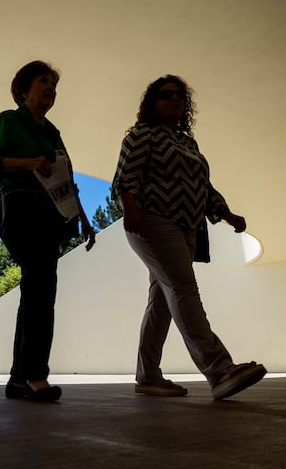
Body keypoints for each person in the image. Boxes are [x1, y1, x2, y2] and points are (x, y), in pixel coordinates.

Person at [111, 74, 267, 400]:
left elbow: (204, 188)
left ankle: (148, 376)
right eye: (166, 95)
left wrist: (227, 214)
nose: (175, 100)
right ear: (152, 102)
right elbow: (126, 176)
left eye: (180, 96)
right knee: (183, 289)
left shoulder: (187, 143)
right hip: (153, 221)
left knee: (161, 303)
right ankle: (219, 368)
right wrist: (131, 209)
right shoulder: (142, 135)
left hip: (187, 226)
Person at [0, 60, 96, 402]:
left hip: (51, 216)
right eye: (43, 81)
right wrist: (27, 163)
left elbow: (65, 179)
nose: (51, 89)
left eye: (54, 84)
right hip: (16, 208)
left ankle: (18, 379)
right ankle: (35, 375)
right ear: (24, 90)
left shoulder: (52, 133)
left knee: (38, 288)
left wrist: (83, 217)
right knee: (42, 285)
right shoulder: (8, 121)